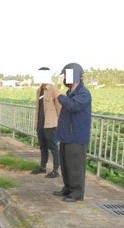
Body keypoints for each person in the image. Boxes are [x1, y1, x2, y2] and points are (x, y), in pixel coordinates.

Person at [51, 63, 92, 202]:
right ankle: (68, 188)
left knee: (75, 166)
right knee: (66, 164)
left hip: (77, 136)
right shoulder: (71, 93)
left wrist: (59, 96)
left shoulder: (84, 93)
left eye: (67, 75)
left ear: (76, 76)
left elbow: (73, 106)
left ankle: (77, 193)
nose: (65, 79)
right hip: (66, 135)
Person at [31, 67, 62, 178]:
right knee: (43, 146)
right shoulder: (39, 90)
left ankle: (55, 170)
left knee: (53, 147)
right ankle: (43, 167)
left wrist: (60, 123)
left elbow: (59, 107)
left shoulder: (53, 89)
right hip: (40, 124)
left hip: (51, 124)